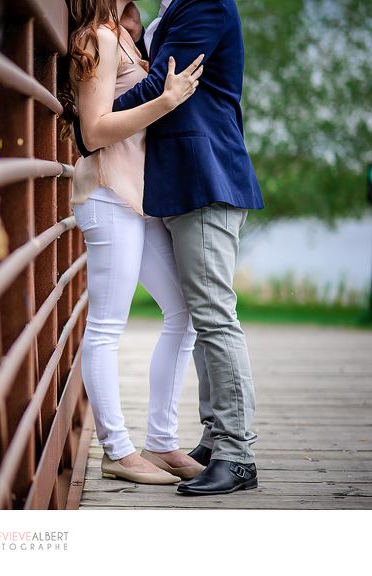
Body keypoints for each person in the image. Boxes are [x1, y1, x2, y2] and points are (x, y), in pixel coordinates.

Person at [73, 0, 264, 495]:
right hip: (119, 192)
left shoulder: (192, 8)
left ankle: (203, 444)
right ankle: (122, 449)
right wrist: (92, 127)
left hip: (182, 181)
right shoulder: (113, 34)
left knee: (197, 313)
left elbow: (163, 83)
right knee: (124, 322)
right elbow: (104, 121)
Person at [59, 0, 205, 484]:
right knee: (105, 326)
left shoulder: (120, 32)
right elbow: (93, 130)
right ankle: (118, 452)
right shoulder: (97, 37)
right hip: (106, 194)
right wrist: (166, 101)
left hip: (136, 199)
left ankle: (161, 442)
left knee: (183, 312)